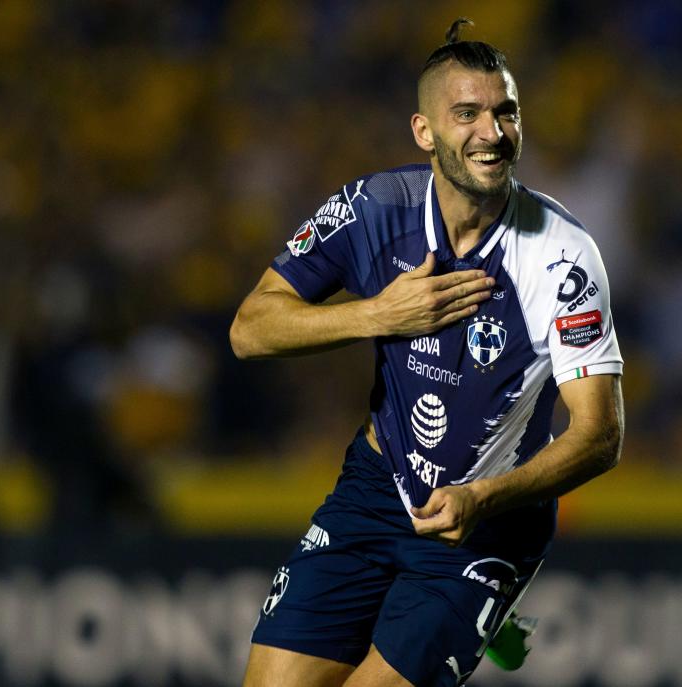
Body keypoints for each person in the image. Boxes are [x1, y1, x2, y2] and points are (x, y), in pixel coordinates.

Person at [230, 18, 624, 687]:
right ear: (425, 131)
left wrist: (483, 498)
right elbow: (250, 328)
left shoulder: (562, 257)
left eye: (507, 113)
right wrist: (379, 312)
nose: (492, 134)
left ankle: (485, 600)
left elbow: (599, 433)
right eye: (466, 113)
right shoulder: (371, 207)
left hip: (486, 524)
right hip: (373, 491)